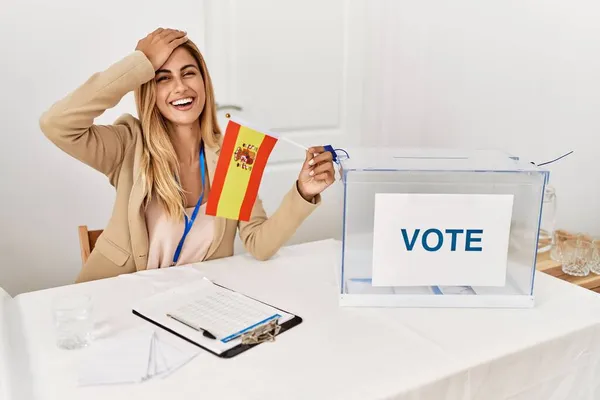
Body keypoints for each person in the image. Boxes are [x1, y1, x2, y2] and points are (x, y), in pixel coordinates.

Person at [40, 28, 335, 283]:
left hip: (194, 308)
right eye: (162, 78)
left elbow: (259, 243)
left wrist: (303, 192)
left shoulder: (234, 156)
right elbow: (57, 124)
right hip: (117, 302)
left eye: (188, 73)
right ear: (148, 90)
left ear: (204, 82)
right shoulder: (128, 144)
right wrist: (139, 64)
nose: (180, 87)